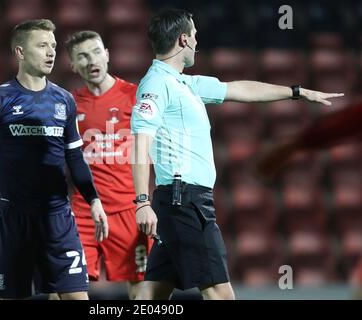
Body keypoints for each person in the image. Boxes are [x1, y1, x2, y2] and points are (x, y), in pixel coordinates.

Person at [130, 8, 344, 300]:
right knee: (221, 294)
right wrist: (142, 200)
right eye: (194, 35)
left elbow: (239, 89)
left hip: (179, 202)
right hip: (185, 202)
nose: (197, 41)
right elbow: (141, 141)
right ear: (183, 40)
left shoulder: (185, 83)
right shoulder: (157, 85)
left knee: (152, 294)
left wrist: (296, 91)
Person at [0, 31, 151, 299]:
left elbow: (150, 144)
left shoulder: (135, 98)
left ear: (107, 54)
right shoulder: (67, 101)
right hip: (76, 213)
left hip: (124, 208)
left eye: (96, 52)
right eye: (82, 56)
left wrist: (144, 201)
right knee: (61, 291)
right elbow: (26, 110)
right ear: (73, 65)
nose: (92, 60)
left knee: (140, 288)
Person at [256, 100, 362, 181]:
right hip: (330, 131)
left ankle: (267, 166)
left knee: (297, 144)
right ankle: (266, 166)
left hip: (333, 132)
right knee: (298, 144)